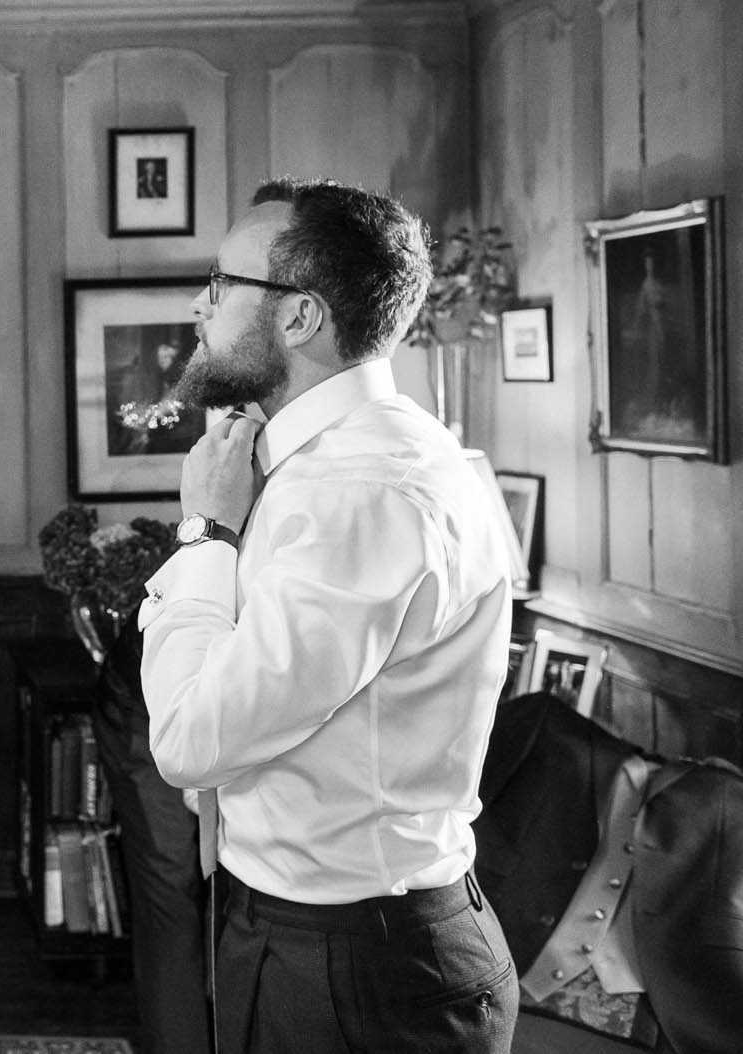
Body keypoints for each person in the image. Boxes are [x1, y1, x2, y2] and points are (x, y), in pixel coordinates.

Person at [138, 177, 521, 1053]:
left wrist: (205, 534)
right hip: (313, 937)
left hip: (357, 968)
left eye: (222, 282)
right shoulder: (333, 465)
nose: (200, 303)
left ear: (301, 317)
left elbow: (192, 741)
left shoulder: (358, 492)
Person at [91, 620, 213, 1054]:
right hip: (145, 707)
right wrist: (196, 767)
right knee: (172, 891)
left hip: (232, 708)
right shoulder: (219, 567)